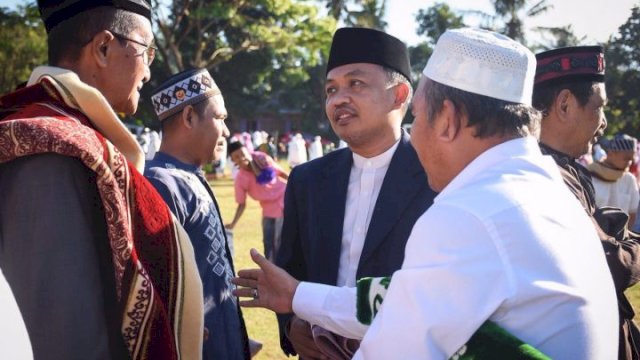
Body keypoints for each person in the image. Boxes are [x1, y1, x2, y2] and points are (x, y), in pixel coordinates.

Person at [233, 28, 618, 359]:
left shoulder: (467, 214)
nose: (412, 134)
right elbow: (403, 298)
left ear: (447, 119)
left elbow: (394, 341)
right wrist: (299, 296)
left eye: (417, 117)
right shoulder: (541, 189)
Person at [0, 1, 203, 359]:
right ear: (104, 48)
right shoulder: (50, 150)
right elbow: (63, 337)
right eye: (146, 51)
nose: (148, 72)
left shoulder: (80, 141)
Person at [273, 27, 437, 358]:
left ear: (399, 94)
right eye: (331, 90)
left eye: (356, 84)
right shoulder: (307, 180)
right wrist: (291, 324)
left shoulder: (436, 178)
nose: (338, 99)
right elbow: (291, 269)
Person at [533, 45, 640, 359]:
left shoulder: (568, 169)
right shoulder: (543, 174)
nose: (604, 123)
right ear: (565, 104)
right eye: (600, 107)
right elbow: (606, 263)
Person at [145, 69, 253, 359]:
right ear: (189, 117)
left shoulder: (188, 176)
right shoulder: (160, 183)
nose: (227, 132)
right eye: (220, 118)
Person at [226, 141, 288, 261]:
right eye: (236, 157)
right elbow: (241, 204)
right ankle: (271, 269)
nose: (241, 158)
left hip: (283, 200)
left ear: (248, 152)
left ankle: (282, 270)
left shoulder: (261, 158)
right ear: (233, 161)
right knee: (268, 242)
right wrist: (233, 223)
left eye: (243, 154)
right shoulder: (240, 178)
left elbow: (276, 174)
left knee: (279, 241)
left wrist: (297, 187)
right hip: (267, 209)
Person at [588, 134, 639, 227]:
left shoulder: (629, 179)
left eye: (631, 159)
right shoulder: (590, 175)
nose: (629, 163)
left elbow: (632, 213)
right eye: (626, 159)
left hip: (619, 238)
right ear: (611, 153)